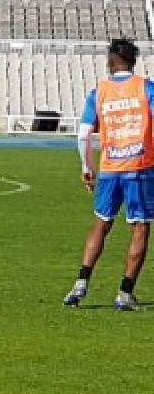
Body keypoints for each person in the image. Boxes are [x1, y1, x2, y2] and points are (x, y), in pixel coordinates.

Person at [63, 38, 154, 311]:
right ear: (133, 61)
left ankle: (81, 282)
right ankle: (125, 293)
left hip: (110, 168)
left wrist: (86, 167)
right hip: (139, 167)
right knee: (140, 227)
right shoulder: (146, 88)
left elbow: (82, 135)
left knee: (101, 223)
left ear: (110, 62)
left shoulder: (98, 92)